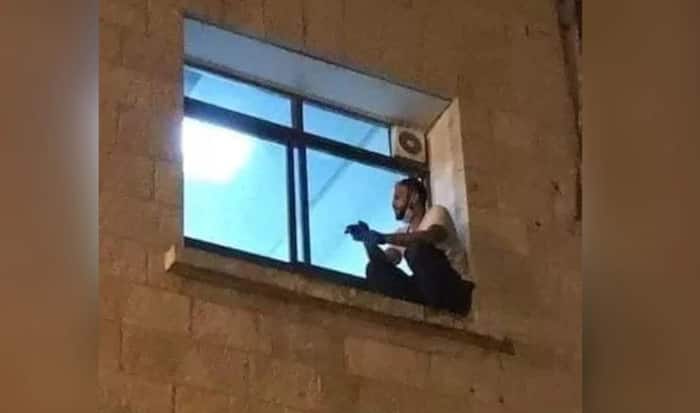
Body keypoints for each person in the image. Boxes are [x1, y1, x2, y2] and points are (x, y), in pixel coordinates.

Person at [345, 177, 474, 313]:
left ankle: (441, 307)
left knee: (416, 250)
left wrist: (383, 238)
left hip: (455, 290)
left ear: (414, 197)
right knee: (374, 269)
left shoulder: (436, 213)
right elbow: (385, 259)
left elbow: (430, 236)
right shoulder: (402, 232)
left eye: (397, 198)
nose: (393, 204)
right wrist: (367, 239)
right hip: (427, 293)